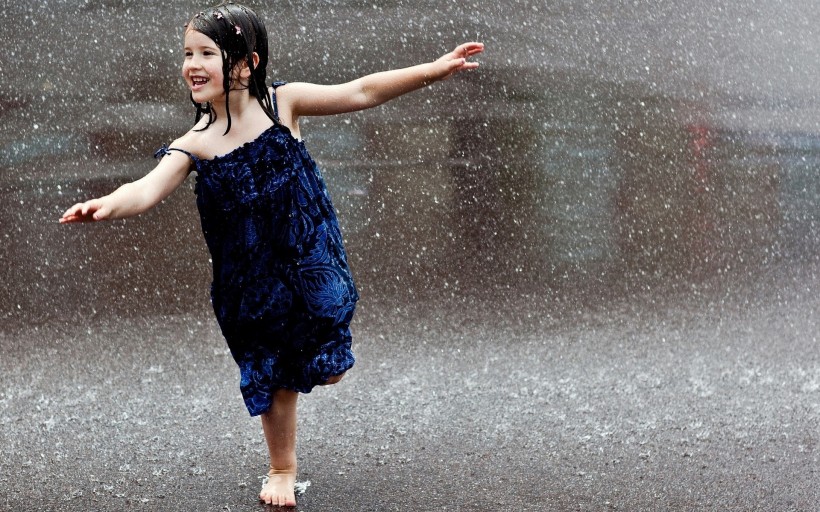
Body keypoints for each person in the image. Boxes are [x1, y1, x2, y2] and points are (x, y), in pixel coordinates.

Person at [60, 1, 483, 507]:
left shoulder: (283, 105)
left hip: (309, 256)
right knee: (273, 371)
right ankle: (282, 467)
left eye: (206, 54)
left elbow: (362, 90)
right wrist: (108, 203)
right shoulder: (195, 144)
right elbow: (146, 189)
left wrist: (433, 70)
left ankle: (318, 360)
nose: (191, 65)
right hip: (249, 279)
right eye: (187, 53)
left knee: (327, 348)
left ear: (246, 64)